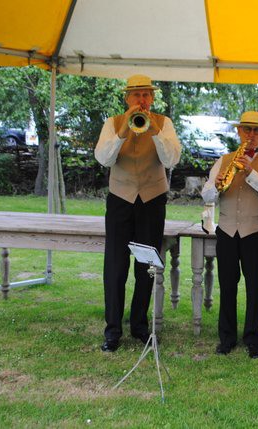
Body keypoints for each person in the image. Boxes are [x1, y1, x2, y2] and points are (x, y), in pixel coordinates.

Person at [94, 74, 181, 352]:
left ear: (152, 98)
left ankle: (140, 325)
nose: (141, 100)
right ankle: (112, 330)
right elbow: (103, 158)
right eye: (136, 95)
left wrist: (154, 131)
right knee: (115, 266)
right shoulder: (112, 123)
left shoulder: (164, 123)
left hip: (152, 199)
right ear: (126, 98)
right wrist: (122, 132)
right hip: (120, 199)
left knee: (146, 266)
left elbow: (171, 159)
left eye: (146, 95)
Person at [201, 111, 258, 359]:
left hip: (257, 231)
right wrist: (216, 186)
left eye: (257, 130)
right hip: (227, 230)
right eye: (246, 129)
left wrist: (251, 173)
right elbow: (206, 195)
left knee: (255, 287)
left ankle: (253, 338)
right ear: (238, 132)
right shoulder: (224, 160)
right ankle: (226, 338)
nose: (251, 134)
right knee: (227, 285)